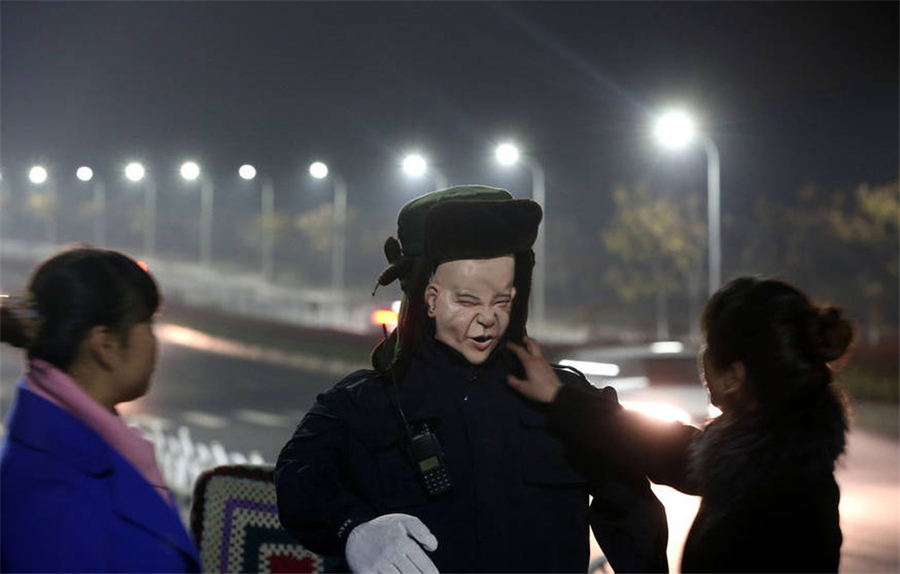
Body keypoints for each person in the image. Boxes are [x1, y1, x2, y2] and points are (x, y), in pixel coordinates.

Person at [275, 185, 669, 574]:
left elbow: (632, 513)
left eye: (501, 297)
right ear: (423, 295)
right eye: (466, 298)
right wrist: (353, 528)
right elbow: (298, 478)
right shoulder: (360, 405)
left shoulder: (565, 401)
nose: (486, 318)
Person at [507, 276, 852, 573]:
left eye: (709, 343)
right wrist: (562, 398)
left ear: (734, 375)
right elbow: (663, 447)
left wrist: (563, 400)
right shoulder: (771, 464)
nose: (701, 355)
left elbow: (671, 451)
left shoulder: (773, 504)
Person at [0, 246, 200, 573]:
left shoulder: (81, 452)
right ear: (105, 345)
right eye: (148, 325)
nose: (154, 342)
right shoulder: (52, 499)